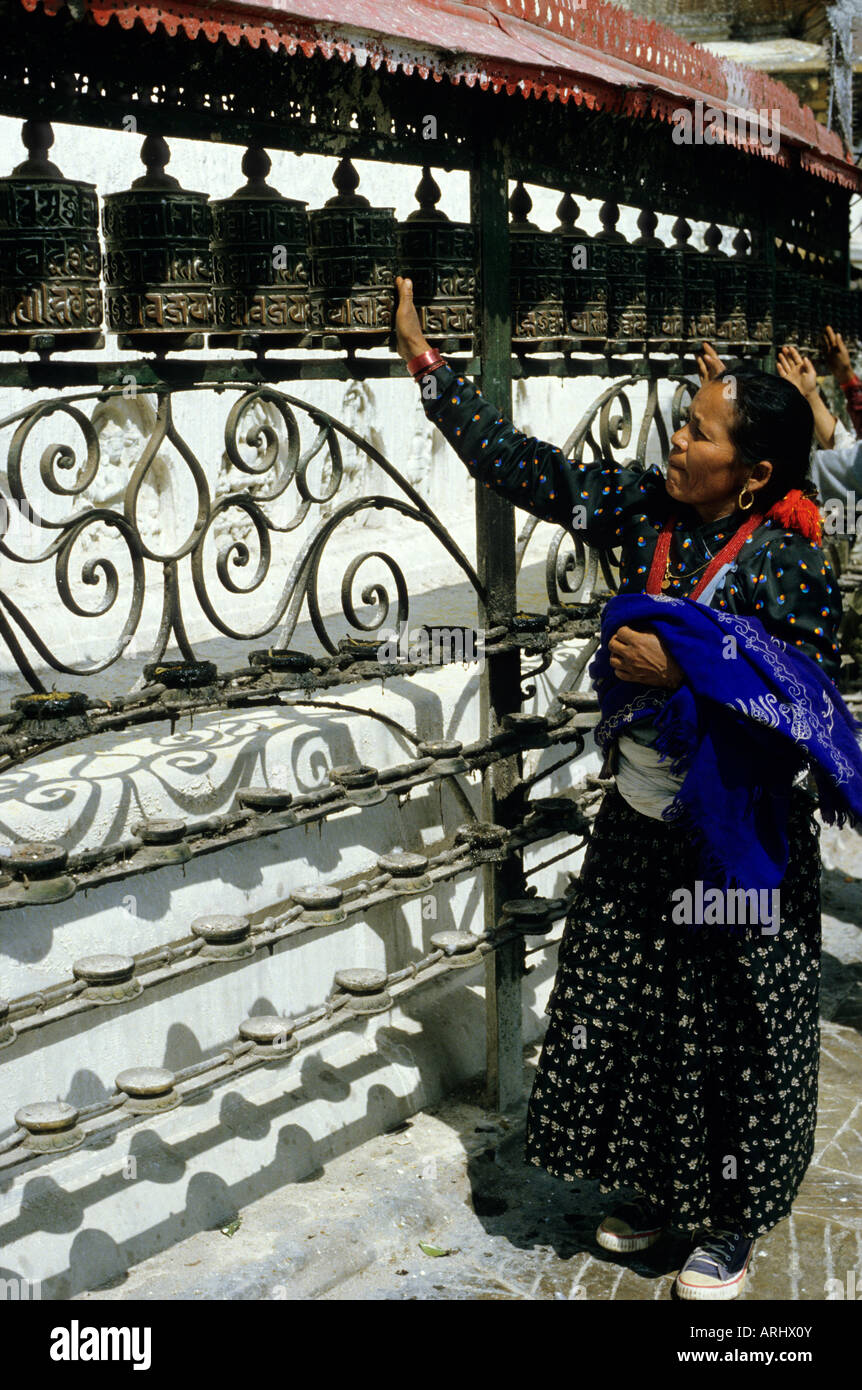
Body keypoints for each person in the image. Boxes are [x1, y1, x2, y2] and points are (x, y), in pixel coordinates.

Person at [393, 275, 862, 1301]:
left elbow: (800, 699)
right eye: (682, 427)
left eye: (697, 434)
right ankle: (660, 1191)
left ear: (752, 475)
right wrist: (433, 374)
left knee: (739, 1029)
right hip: (640, 824)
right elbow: (536, 470)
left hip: (735, 840)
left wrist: (685, 671)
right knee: (644, 1012)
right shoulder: (645, 511)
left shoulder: (787, 565)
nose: (675, 445)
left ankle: (729, 1222)